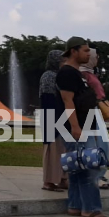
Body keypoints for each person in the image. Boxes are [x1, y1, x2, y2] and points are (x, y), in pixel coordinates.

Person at [58, 37, 109, 217]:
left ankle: (75, 205)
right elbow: (67, 101)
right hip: (79, 127)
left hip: (83, 125)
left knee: (77, 167)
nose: (89, 54)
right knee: (90, 168)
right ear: (74, 51)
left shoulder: (76, 73)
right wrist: (75, 127)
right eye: (86, 51)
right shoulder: (67, 73)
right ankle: (91, 209)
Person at [80, 48, 109, 189]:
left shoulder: (91, 73)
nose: (96, 59)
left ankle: (99, 173)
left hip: (96, 111)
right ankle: (96, 175)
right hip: (90, 111)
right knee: (98, 143)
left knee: (103, 143)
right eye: (95, 56)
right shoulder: (83, 74)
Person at [40, 50, 67, 192]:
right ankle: (49, 181)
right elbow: (48, 99)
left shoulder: (58, 76)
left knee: (62, 149)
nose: (64, 63)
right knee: (52, 150)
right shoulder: (49, 76)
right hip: (52, 118)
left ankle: (62, 178)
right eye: (62, 61)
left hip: (60, 117)